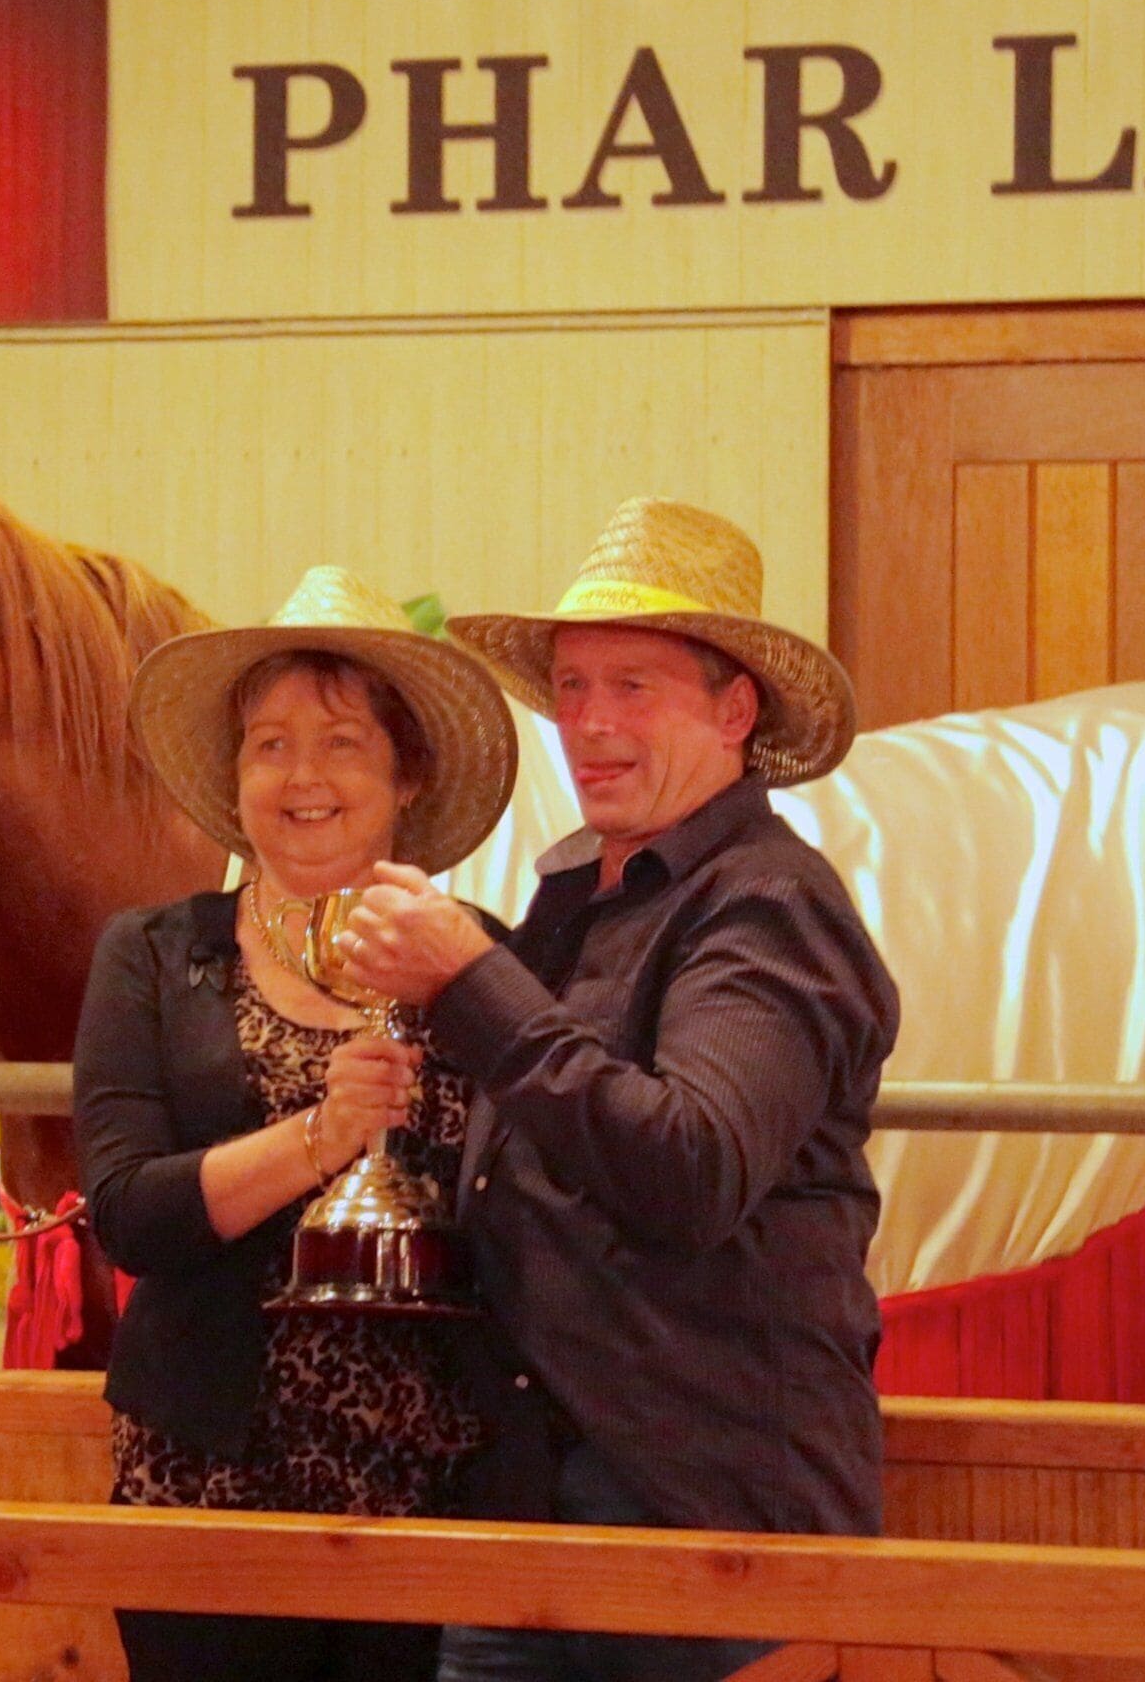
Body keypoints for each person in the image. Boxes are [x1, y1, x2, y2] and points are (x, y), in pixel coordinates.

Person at [342, 499, 898, 1682]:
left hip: (716, 1528)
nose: (589, 723)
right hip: (538, 1516)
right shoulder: (575, 903)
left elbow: (688, 1167)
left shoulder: (771, 907)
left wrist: (467, 981)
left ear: (734, 709)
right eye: (574, 687)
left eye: (634, 686)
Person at [75, 566, 522, 1682]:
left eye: (339, 743)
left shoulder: (486, 957)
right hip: (207, 1492)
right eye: (268, 744)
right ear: (234, 779)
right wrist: (324, 1135)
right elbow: (130, 1213)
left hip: (438, 1499)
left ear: (406, 774)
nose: (301, 775)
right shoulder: (154, 954)